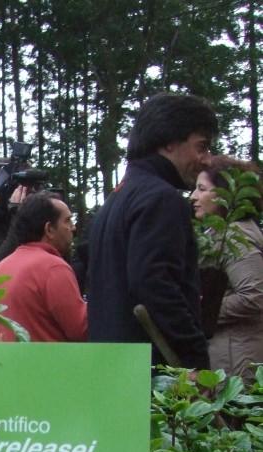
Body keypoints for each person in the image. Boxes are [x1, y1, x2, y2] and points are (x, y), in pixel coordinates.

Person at [88, 92, 218, 369]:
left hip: (115, 369)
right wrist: (195, 357)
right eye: (201, 146)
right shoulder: (161, 199)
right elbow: (156, 285)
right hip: (156, 377)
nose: (207, 160)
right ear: (169, 142)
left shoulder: (117, 199)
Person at [190, 156, 263, 380]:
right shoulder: (219, 233)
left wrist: (202, 311)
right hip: (229, 354)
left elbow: (254, 294)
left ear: (224, 194)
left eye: (201, 189)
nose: (193, 197)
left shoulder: (236, 234)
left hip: (238, 361)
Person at [0, 192, 87, 342]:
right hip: (48, 364)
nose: (73, 227)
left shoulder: (1, 267)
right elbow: (80, 330)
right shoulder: (54, 268)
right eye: (67, 221)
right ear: (49, 229)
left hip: (4, 363)